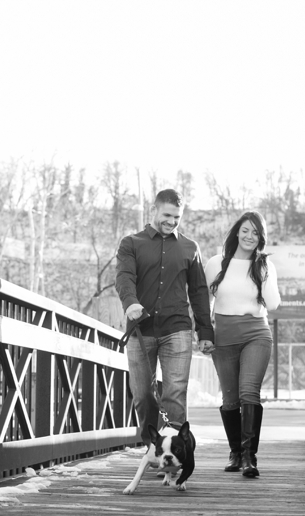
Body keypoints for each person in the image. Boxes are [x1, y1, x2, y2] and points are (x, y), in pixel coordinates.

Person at [115, 189, 214, 445]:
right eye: (167, 215)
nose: (171, 222)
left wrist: (205, 332)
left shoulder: (190, 248)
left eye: (177, 217)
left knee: (175, 394)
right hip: (140, 329)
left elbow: (199, 292)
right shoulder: (131, 244)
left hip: (177, 330)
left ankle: (176, 452)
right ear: (154, 210)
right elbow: (124, 278)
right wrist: (131, 302)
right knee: (143, 394)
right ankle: (153, 449)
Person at [204, 211, 280, 478]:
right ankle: (235, 452)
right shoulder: (216, 263)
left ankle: (249, 457)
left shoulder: (265, 266)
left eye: (256, 233)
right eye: (246, 230)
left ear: (261, 238)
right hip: (223, 338)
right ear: (237, 232)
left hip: (256, 334)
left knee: (249, 393)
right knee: (230, 399)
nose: (250, 236)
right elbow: (203, 303)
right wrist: (203, 333)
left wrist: (263, 272)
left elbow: (272, 304)